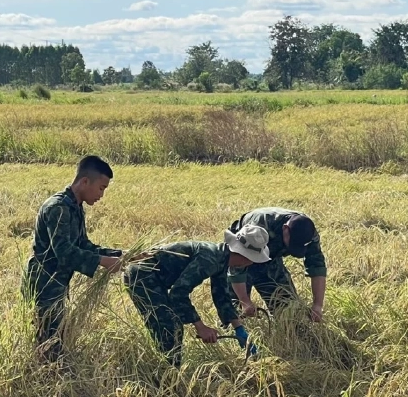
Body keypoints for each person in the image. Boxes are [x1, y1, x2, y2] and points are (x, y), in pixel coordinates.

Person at [125, 225, 270, 367]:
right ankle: (167, 376)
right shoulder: (210, 260)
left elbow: (221, 295)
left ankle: (169, 370)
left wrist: (239, 329)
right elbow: (178, 292)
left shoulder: (221, 258)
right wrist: (201, 327)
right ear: (246, 257)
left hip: (154, 277)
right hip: (142, 274)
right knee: (169, 327)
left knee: (172, 325)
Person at [22, 155, 123, 355]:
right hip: (44, 284)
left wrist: (121, 255)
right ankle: (45, 382)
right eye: (101, 188)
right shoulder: (58, 208)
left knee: (55, 340)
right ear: (85, 181)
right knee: (49, 345)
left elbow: (83, 245)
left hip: (56, 284)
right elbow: (64, 253)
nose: (101, 195)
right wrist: (104, 261)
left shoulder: (75, 207)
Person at [227, 209, 327, 322]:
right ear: (285, 229)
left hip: (271, 259)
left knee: (290, 313)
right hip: (243, 255)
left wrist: (318, 305)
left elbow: (317, 266)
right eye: (293, 244)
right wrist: (244, 301)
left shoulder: (308, 233)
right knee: (234, 312)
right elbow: (236, 267)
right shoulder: (259, 227)